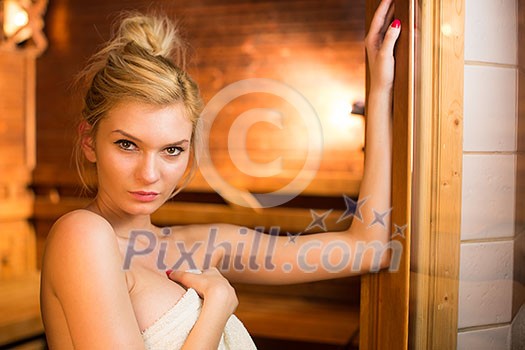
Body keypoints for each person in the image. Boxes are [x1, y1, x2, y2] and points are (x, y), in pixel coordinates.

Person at [40, 0, 401, 348]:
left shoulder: (200, 246)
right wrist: (216, 305)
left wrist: (380, 90)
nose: (149, 174)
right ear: (89, 141)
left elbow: (367, 249)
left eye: (171, 150)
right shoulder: (82, 235)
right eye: (127, 145)